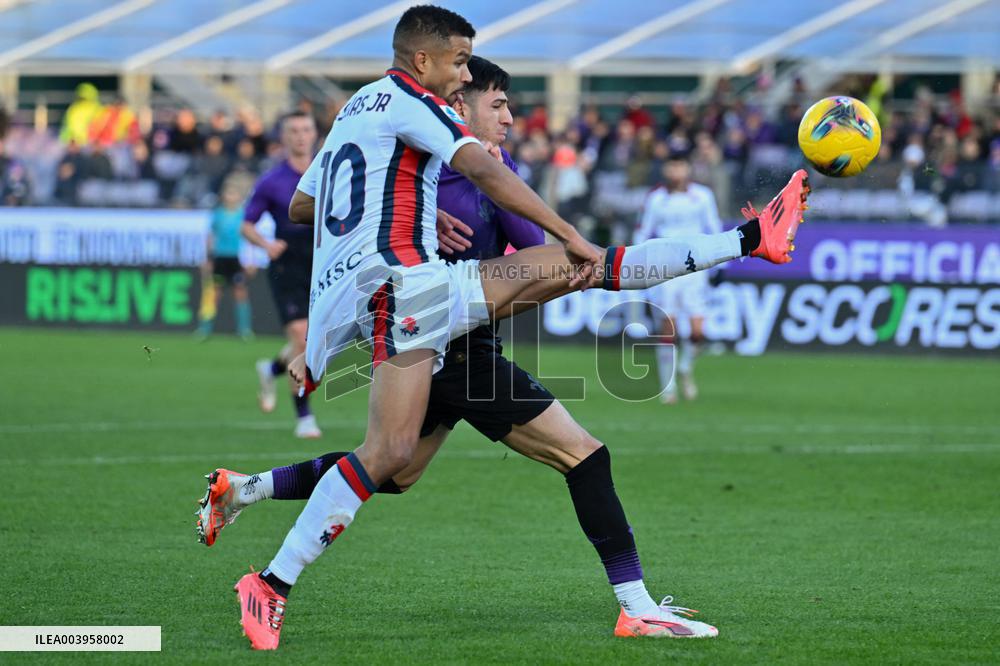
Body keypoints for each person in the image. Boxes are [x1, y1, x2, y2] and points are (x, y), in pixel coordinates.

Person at [218, 5, 807, 650]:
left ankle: (251, 514)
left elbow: (308, 203)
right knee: (585, 353)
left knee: (392, 463)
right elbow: (484, 173)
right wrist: (566, 235)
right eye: (466, 68)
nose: (473, 82)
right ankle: (751, 238)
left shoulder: (359, 109)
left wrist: (409, 216)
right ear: (427, 64)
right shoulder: (424, 112)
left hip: (399, 305)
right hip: (422, 302)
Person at [240, 111, 321, 439]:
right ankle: (304, 416)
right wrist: (265, 244)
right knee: (302, 340)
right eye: (294, 131)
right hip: (288, 263)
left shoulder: (330, 171)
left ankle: (271, 368)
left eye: (306, 129)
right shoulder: (272, 181)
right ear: (284, 137)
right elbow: (247, 224)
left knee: (317, 344)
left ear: (315, 133)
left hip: (323, 263)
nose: (300, 136)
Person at [635, 157, 724, 403]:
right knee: (668, 327)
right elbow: (643, 231)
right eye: (672, 165)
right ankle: (668, 386)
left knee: (697, 332)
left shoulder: (702, 196)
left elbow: (713, 227)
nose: (677, 170)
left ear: (688, 168)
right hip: (665, 267)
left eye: (681, 164)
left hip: (696, 269)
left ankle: (685, 366)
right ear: (666, 169)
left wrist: (721, 263)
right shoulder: (657, 199)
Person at [196, 183, 253, 340]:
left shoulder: (242, 215)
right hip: (220, 259)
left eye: (234, 194)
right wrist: (207, 259)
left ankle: (244, 330)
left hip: (235, 259)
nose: (231, 197)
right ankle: (204, 330)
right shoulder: (218, 215)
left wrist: (249, 260)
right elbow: (210, 237)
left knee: (240, 293)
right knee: (213, 294)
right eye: (229, 194)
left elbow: (247, 238)